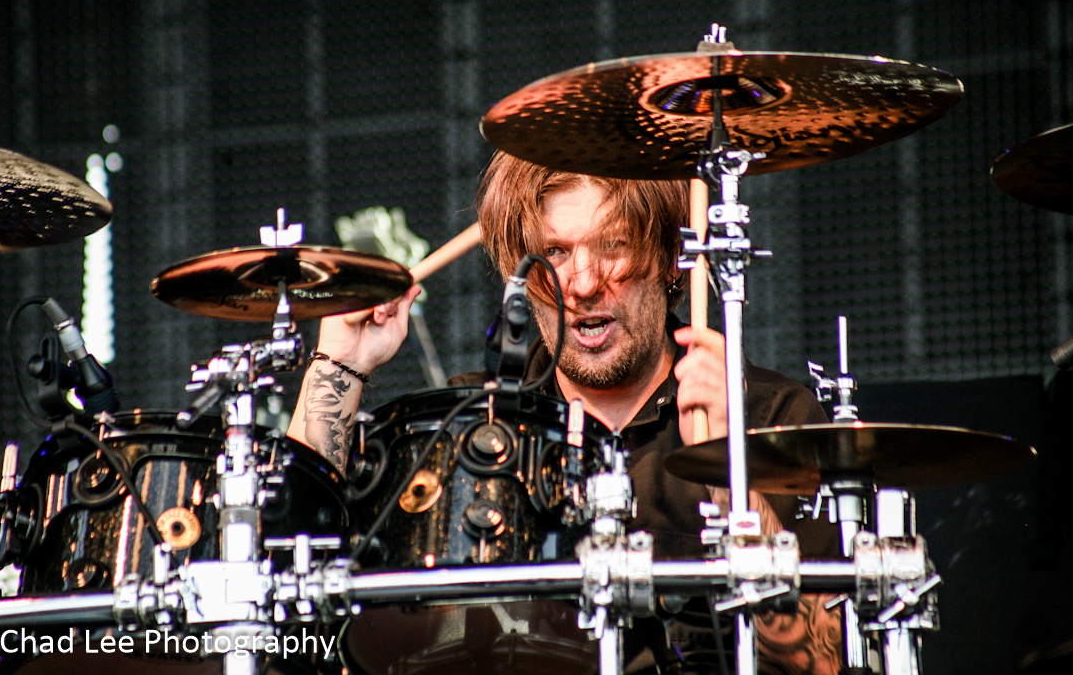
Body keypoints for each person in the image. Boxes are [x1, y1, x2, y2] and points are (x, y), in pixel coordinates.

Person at [288, 152, 842, 675]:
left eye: (614, 245)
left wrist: (729, 471)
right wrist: (339, 367)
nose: (582, 283)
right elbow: (291, 595)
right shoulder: (472, 425)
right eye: (554, 252)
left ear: (671, 258)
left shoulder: (773, 416)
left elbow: (824, 660)